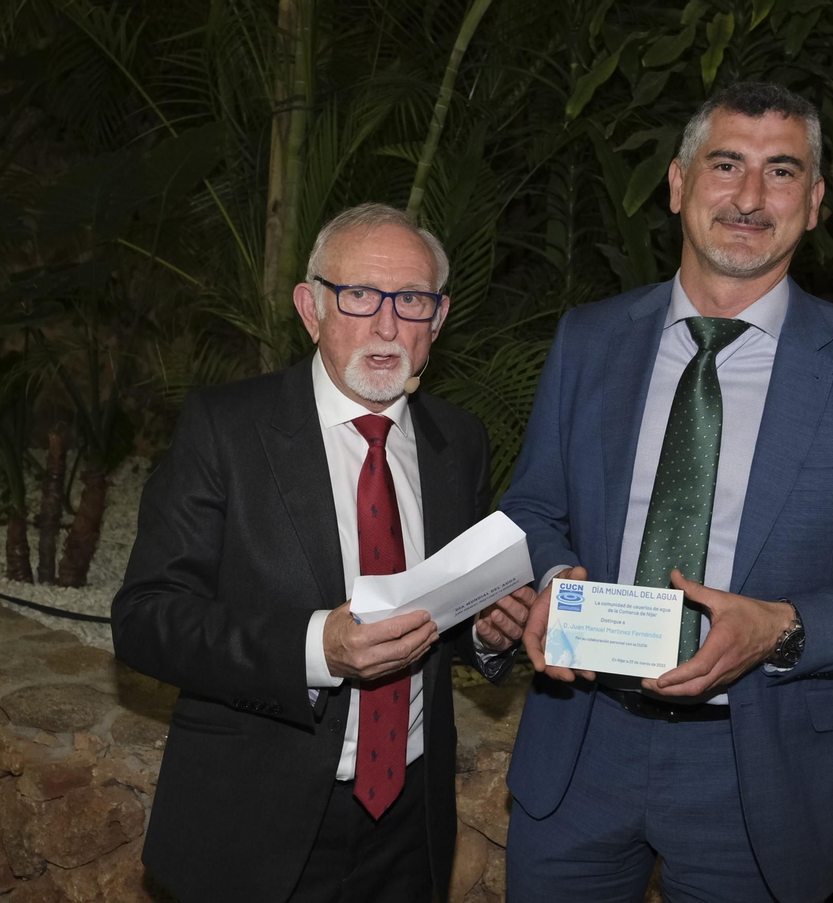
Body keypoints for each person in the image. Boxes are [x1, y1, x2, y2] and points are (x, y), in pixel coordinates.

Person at [497, 82, 833, 902]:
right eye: (726, 164)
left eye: (781, 171)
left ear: (813, 203)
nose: (750, 197)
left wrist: (779, 628)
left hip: (760, 771)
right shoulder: (589, 338)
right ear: (679, 184)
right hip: (580, 749)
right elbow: (533, 508)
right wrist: (556, 577)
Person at [111, 202, 534, 903]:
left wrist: (487, 632)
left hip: (409, 826)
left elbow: (443, 604)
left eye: (412, 299)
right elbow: (145, 619)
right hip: (256, 822)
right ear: (311, 310)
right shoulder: (227, 428)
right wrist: (317, 648)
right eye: (361, 295)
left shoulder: (459, 442)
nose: (388, 325)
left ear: (438, 318)